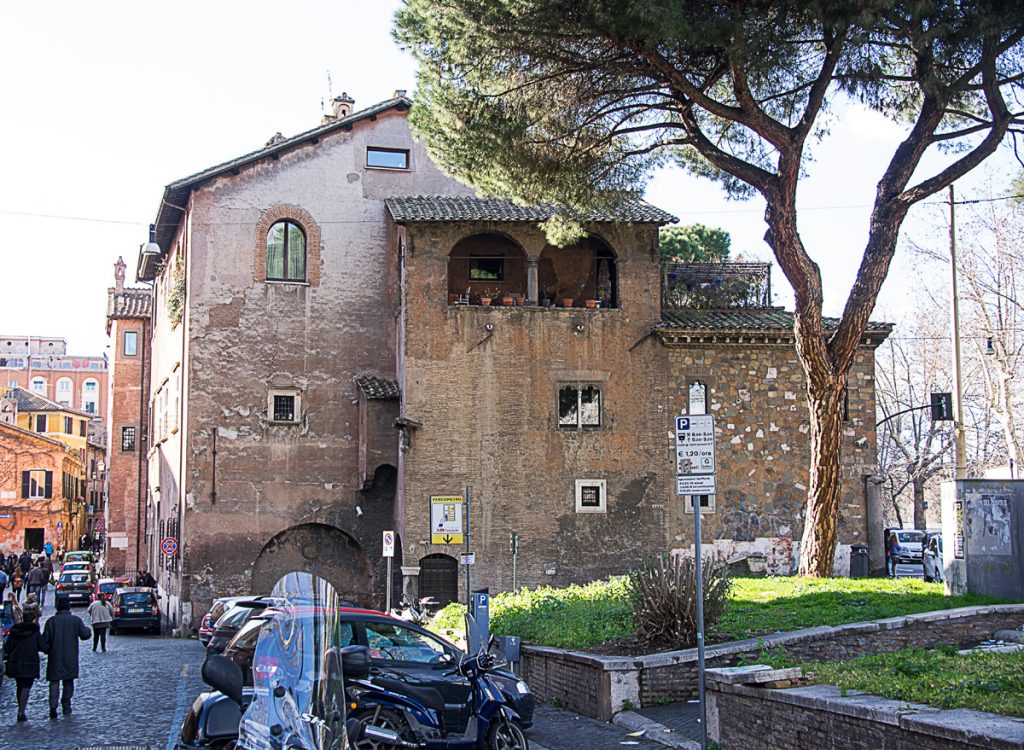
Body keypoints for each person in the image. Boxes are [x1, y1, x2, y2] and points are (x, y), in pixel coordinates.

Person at [41, 596, 91, 718]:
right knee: (68, 681)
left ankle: (53, 706)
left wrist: (47, 650)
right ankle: (66, 704)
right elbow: (85, 635)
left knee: (54, 683)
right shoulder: (75, 620)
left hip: (55, 656)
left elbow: (45, 642)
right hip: (70, 656)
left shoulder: (51, 622)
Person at [4, 608, 44, 722]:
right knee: (26, 686)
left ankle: (20, 708)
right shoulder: (35, 632)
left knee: (19, 685)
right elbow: (43, 646)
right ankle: (22, 710)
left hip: (15, 662)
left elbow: (7, 647)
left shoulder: (15, 631)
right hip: (30, 662)